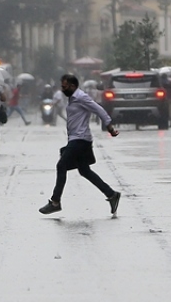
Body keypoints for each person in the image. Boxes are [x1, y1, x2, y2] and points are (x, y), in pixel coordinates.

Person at [38, 74, 122, 216]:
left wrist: (110, 128)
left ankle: (55, 202)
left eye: (64, 87)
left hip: (80, 139)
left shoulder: (81, 97)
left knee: (61, 165)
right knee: (84, 170)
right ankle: (111, 194)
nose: (62, 89)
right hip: (77, 139)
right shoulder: (73, 99)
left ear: (72, 86)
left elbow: (99, 109)